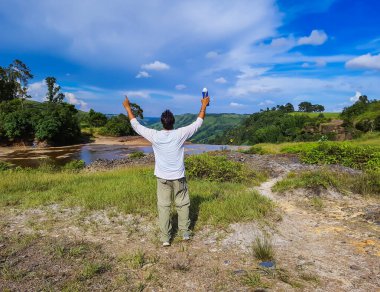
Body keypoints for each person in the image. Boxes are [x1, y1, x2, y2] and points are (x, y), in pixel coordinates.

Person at [123, 95, 210, 246]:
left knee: (164, 207)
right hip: (178, 177)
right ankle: (184, 233)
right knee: (182, 204)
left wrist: (127, 108)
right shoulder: (180, 134)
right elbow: (198, 122)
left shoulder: (155, 135)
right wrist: (203, 105)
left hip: (162, 178)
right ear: (173, 122)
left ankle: (165, 238)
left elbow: (136, 125)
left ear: (162, 122)